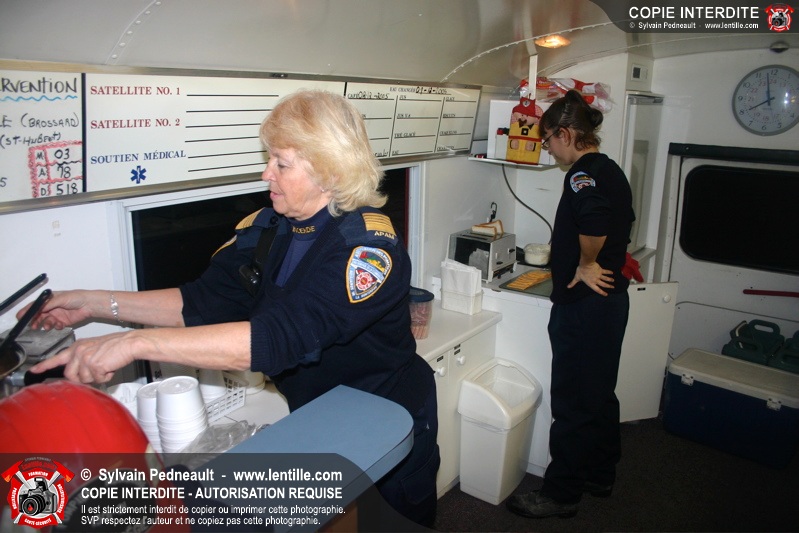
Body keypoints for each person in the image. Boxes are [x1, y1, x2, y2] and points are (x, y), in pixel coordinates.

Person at [25, 89, 440, 527]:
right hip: (319, 411)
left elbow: (277, 339)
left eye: (281, 163)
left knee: (395, 521)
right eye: (270, 159)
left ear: (330, 171)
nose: (266, 173)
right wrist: (94, 303)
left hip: (386, 413)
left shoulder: (368, 250)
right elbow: (197, 302)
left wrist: (133, 344)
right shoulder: (267, 231)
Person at [506, 89, 635, 519]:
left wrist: (586, 263)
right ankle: (599, 473)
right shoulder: (609, 169)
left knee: (573, 400)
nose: (548, 148)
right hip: (609, 303)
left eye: (547, 140)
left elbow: (595, 221)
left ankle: (560, 494)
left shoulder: (582, 174)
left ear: (565, 133)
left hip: (585, 306)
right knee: (598, 393)